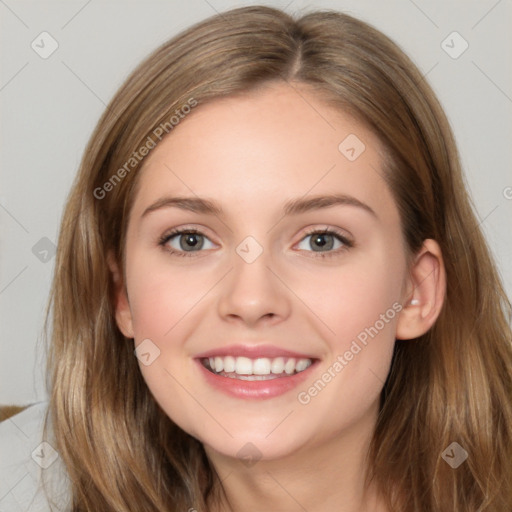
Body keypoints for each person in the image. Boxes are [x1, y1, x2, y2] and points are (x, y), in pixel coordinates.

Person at [1, 5, 511, 511]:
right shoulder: (22, 479)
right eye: (190, 240)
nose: (250, 299)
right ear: (121, 294)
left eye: (321, 240)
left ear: (416, 292)